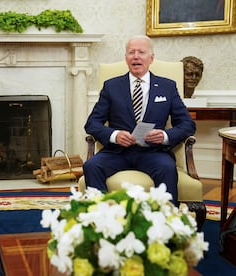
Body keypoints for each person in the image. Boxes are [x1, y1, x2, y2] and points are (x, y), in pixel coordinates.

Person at [83, 35, 196, 206]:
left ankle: (166, 223)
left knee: (167, 168)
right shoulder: (111, 86)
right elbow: (92, 123)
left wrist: (164, 136)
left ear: (151, 58)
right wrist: (114, 135)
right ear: (126, 58)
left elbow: (188, 124)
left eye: (141, 52)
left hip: (154, 152)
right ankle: (103, 219)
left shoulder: (168, 86)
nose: (136, 56)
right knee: (91, 166)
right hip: (117, 152)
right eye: (131, 52)